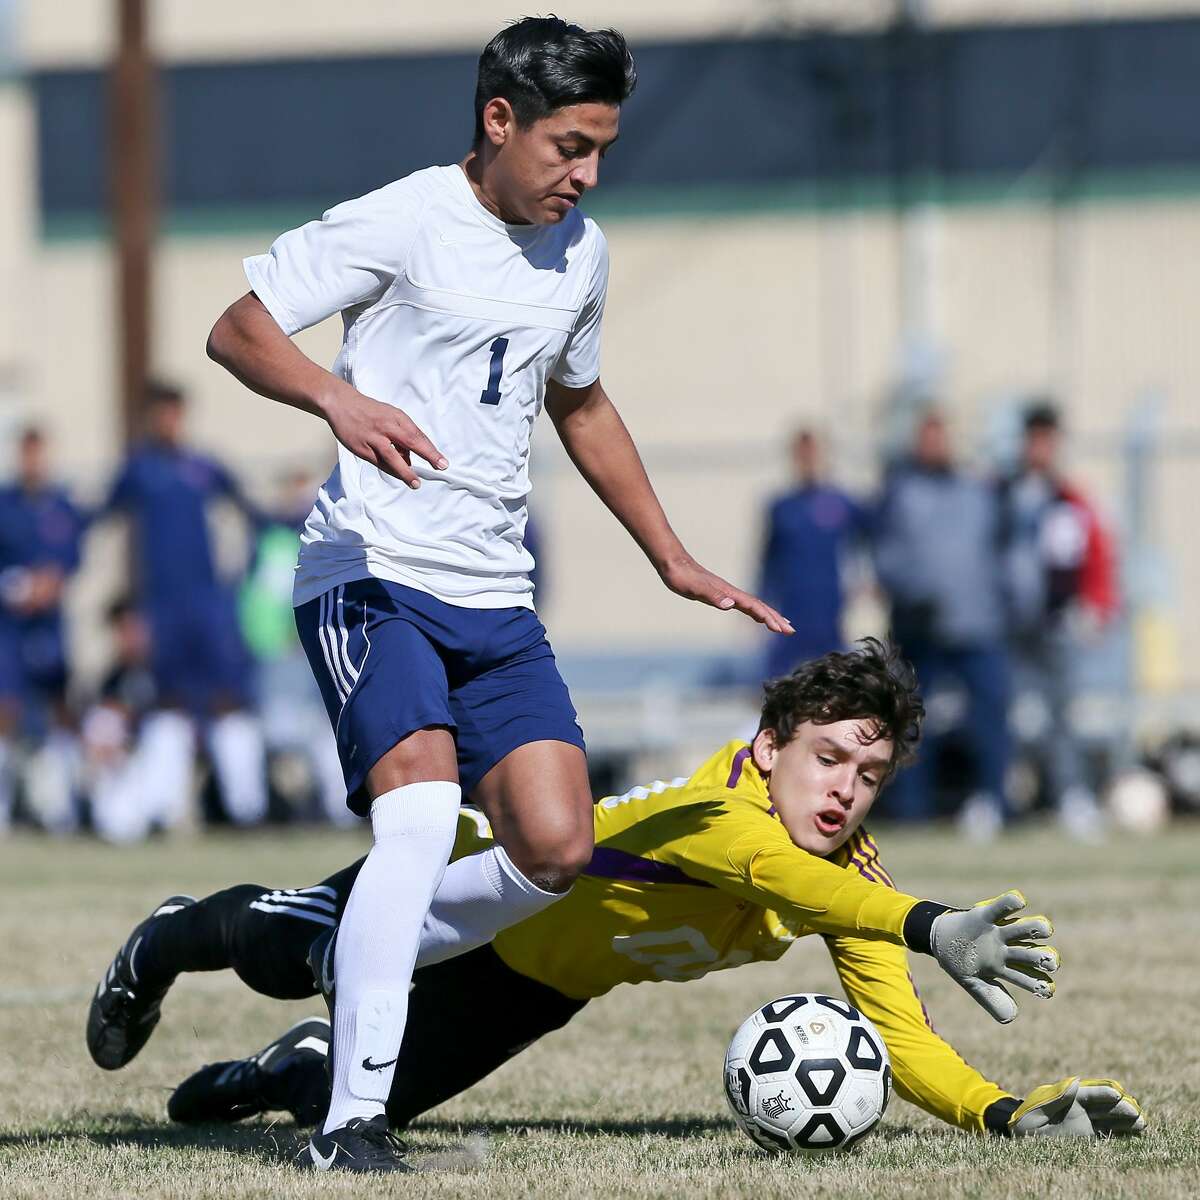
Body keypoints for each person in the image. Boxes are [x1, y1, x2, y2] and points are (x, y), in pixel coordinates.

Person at [200, 16, 789, 1172]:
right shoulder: (408, 217)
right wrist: (338, 401)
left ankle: (317, 932)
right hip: (369, 573)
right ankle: (349, 1122)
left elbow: (581, 405)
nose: (588, 173)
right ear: (498, 121)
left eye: (602, 148)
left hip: (494, 597)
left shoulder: (583, 253)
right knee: (417, 818)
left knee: (555, 847)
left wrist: (668, 555)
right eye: (570, 145)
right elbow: (238, 329)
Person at [85, 641, 1143, 1147]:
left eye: (868, 778)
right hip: (467, 876)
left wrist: (1005, 1115)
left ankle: (291, 1069)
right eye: (828, 759)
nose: (844, 791)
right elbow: (766, 875)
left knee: (357, 1102)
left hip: (535, 991)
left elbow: (900, 1037)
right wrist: (928, 923)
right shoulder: (718, 813)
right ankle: (163, 941)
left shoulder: (846, 874)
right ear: (769, 746)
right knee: (281, 959)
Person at [97, 381, 268, 828]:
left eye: (176, 414)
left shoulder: (204, 466)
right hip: (161, 606)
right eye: (162, 414)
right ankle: (164, 808)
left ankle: (246, 809)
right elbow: (100, 521)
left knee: (227, 698)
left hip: (207, 603)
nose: (170, 423)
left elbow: (252, 514)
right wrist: (125, 610)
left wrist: (244, 577)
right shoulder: (138, 470)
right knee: (168, 701)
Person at [873, 411, 1012, 837]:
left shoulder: (977, 491)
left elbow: (1000, 552)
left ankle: (994, 803)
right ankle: (912, 809)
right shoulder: (899, 493)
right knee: (910, 718)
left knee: (991, 713)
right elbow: (884, 556)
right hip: (920, 628)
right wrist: (915, 591)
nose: (936, 445)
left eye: (941, 436)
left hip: (977, 624)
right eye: (927, 437)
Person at [999, 402, 1118, 841]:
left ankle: (1070, 795)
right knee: (1005, 713)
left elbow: (1097, 555)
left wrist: (1097, 605)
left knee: (1062, 715)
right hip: (1009, 624)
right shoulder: (1003, 494)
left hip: (1056, 622)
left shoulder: (1070, 500)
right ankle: (997, 797)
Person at [0, 427, 87, 833]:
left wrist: (52, 583)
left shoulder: (62, 506)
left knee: (57, 709)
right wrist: (17, 585)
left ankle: (59, 809)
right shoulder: (6, 504)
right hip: (11, 627)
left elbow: (72, 559)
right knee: (7, 709)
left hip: (50, 625)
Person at [758, 428, 871, 677]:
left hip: (828, 607)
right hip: (790, 608)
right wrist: (760, 600)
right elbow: (768, 559)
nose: (808, 460)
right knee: (775, 676)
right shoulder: (782, 506)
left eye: (813, 453)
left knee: (837, 675)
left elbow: (871, 539)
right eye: (802, 454)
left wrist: (870, 580)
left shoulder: (842, 502)